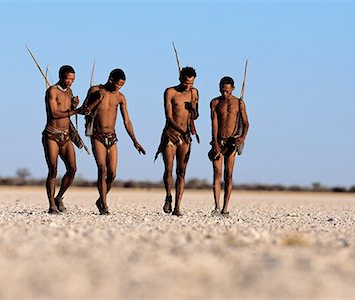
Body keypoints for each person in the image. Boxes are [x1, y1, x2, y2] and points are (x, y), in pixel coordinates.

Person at [79, 69, 145, 215]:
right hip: (97, 136)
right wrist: (96, 99)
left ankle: (101, 199)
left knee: (112, 174)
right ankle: (104, 205)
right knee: (102, 169)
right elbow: (84, 110)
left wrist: (135, 141)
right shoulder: (95, 90)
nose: (118, 88)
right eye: (117, 84)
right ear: (110, 79)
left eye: (121, 85)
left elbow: (126, 120)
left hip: (112, 136)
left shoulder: (120, 97)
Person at [155, 67, 199, 216]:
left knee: (182, 171)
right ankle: (168, 196)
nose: (188, 86)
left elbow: (195, 116)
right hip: (171, 134)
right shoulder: (170, 92)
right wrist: (180, 131)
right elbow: (169, 116)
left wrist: (193, 109)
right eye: (186, 82)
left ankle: (177, 207)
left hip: (185, 136)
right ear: (180, 78)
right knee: (169, 169)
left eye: (191, 83)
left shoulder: (194, 93)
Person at [42, 65, 80, 214]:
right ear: (60, 76)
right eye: (68, 78)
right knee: (53, 171)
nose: (70, 82)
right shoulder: (52, 91)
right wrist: (74, 110)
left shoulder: (69, 92)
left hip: (65, 135)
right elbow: (54, 113)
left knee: (72, 169)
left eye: (73, 79)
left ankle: (59, 197)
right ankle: (51, 205)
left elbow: (67, 109)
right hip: (51, 135)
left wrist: (74, 104)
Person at [209, 76, 249, 216]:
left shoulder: (239, 103)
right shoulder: (215, 102)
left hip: (232, 142)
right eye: (222, 90)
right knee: (217, 173)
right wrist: (215, 142)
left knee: (229, 175)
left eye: (228, 91)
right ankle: (216, 207)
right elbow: (214, 123)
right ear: (219, 87)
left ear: (233, 88)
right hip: (219, 141)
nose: (225, 93)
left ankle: (225, 208)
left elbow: (246, 123)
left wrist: (242, 137)